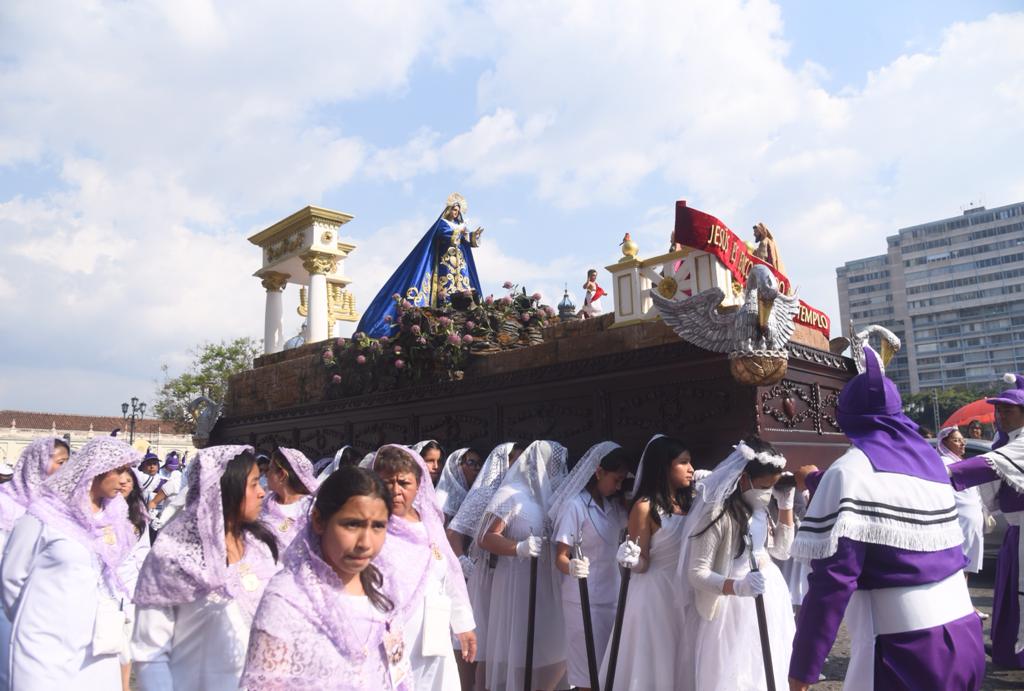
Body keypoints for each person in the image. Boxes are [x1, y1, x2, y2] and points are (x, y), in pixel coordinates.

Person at [790, 347, 984, 690]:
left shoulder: (848, 472)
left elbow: (832, 583)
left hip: (903, 650)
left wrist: (803, 669)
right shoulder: (933, 464)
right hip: (965, 636)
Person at [242, 466, 409, 689]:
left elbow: (398, 674)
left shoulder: (383, 593)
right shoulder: (288, 599)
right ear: (319, 521)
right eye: (352, 524)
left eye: (378, 526)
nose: (365, 543)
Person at [131, 445, 280, 690]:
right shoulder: (174, 554)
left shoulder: (262, 548)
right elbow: (150, 652)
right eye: (253, 484)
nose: (262, 492)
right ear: (224, 489)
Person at [1, 436, 139, 689]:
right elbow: (12, 577)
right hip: (45, 646)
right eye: (119, 470)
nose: (124, 479)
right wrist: (36, 623)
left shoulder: (116, 518)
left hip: (98, 647)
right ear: (96, 468)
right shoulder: (44, 514)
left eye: (128, 471)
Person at [677, 439, 795, 691]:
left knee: (768, 666)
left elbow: (783, 551)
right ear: (743, 479)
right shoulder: (717, 513)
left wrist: (785, 506)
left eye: (772, 488)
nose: (767, 493)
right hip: (733, 603)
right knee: (735, 673)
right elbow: (697, 572)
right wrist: (737, 587)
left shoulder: (761, 508)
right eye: (764, 486)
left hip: (770, 594)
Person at [370, 445, 476, 691]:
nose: (396, 491)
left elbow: (449, 574)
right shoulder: (371, 526)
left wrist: (464, 624)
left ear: (418, 484)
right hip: (390, 635)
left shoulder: (429, 524)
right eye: (388, 482)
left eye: (403, 483)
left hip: (434, 634)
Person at [602, 435, 694, 691]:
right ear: (664, 466)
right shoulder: (645, 507)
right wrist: (630, 559)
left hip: (686, 589)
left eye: (690, 462)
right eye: (683, 462)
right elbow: (642, 561)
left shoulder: (690, 503)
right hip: (656, 594)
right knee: (656, 661)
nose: (691, 469)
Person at [478, 440, 569, 691]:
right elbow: (485, 536)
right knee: (522, 646)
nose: (558, 471)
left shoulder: (549, 496)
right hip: (518, 580)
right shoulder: (511, 493)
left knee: (554, 646)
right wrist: (517, 548)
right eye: (553, 465)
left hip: (548, 580)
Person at [947, 372, 1024, 670]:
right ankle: (1008, 650)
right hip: (1015, 531)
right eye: (1000, 409)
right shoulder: (1007, 442)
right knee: (1007, 593)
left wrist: (937, 473)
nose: (1001, 415)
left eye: (1009, 409)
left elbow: (982, 468)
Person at [549, 442, 629, 691]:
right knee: (588, 675)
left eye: (622, 481)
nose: (618, 486)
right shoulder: (576, 505)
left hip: (613, 596)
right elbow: (560, 555)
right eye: (615, 479)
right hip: (584, 599)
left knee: (612, 670)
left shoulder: (615, 506)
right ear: (598, 472)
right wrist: (572, 567)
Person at [446, 441, 525, 691]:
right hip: (483, 574)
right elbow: (453, 533)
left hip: (506, 575)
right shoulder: (485, 492)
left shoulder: (518, 493)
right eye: (515, 460)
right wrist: (462, 562)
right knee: (479, 643)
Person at [356, 193, 484, 338]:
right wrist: (459, 231)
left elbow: (466, 242)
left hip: (460, 264)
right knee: (446, 288)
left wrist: (473, 236)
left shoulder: (459, 226)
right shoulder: (443, 223)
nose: (456, 212)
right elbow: (445, 235)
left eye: (458, 210)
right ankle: (444, 310)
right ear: (449, 210)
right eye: (454, 209)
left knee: (463, 288)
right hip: (445, 262)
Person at [0, 436, 70, 688]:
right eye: (59, 462)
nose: (64, 470)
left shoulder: (62, 506)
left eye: (67, 463)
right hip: (10, 608)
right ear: (36, 463)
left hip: (50, 611)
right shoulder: (6, 503)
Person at [118, 469, 152, 691]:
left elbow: (143, 551)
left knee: (125, 646)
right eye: (121, 479)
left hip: (129, 585)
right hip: (105, 587)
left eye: (129, 481)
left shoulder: (138, 512)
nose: (123, 484)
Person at [938, 427, 986, 580]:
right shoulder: (944, 463)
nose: (962, 444)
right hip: (960, 521)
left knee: (967, 565)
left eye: (962, 440)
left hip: (971, 521)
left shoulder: (958, 462)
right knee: (959, 565)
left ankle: (965, 600)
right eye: (956, 440)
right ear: (944, 443)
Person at [261, 447, 320, 552]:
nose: (266, 474)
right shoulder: (264, 503)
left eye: (270, 469)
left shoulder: (310, 507)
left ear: (282, 475)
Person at [435, 447, 484, 525]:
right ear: (457, 467)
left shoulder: (474, 495)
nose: (478, 468)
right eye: (471, 463)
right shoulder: (442, 499)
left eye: (479, 464)